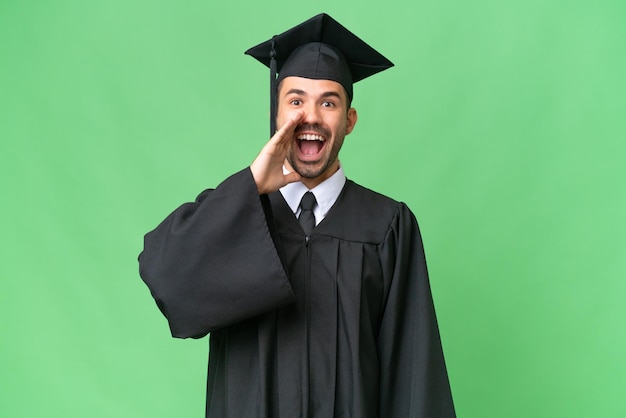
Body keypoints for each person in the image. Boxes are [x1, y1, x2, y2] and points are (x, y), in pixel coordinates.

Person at [139, 13, 456, 418]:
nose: (310, 116)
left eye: (328, 102)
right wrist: (251, 184)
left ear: (349, 121)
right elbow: (169, 282)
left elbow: (413, 376)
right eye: (295, 101)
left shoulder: (388, 226)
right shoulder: (232, 214)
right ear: (277, 115)